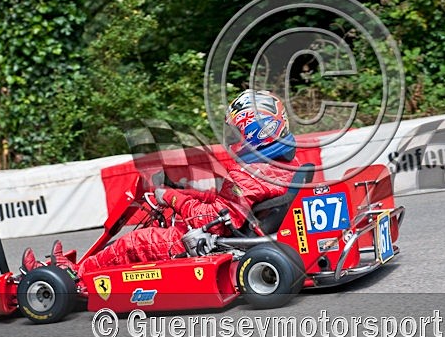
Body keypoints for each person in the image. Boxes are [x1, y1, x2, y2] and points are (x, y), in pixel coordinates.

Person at [20, 89, 299, 278]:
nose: (233, 140)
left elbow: (210, 220)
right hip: (235, 228)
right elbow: (229, 203)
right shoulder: (279, 165)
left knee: (134, 242)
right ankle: (80, 266)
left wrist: (172, 198)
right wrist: (189, 191)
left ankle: (72, 277)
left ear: (257, 132)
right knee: (155, 224)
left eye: (238, 133)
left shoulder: (253, 174)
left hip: (217, 241)